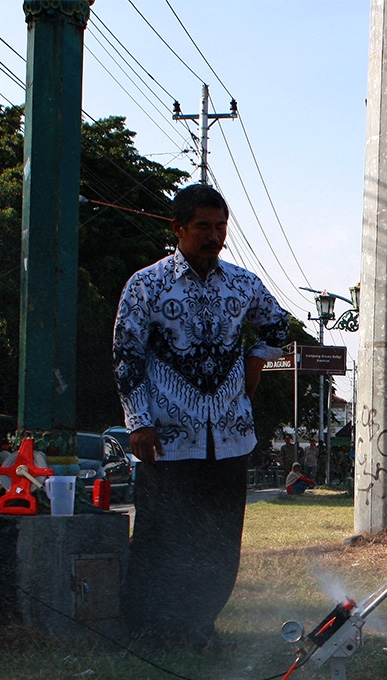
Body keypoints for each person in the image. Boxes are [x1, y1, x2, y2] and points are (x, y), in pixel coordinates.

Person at [113, 184, 290, 649]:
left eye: (220, 227)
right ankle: (149, 632)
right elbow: (126, 355)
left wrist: (255, 360)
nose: (213, 237)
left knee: (219, 542)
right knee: (160, 537)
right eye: (203, 227)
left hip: (230, 437)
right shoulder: (146, 285)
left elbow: (277, 323)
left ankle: (199, 627)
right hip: (168, 438)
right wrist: (138, 422)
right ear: (178, 229)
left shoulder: (242, 284)